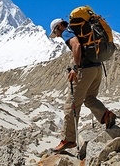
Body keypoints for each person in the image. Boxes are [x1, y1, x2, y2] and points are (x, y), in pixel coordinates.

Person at [48, 18, 116, 152]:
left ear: (60, 26)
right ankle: (106, 115)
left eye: (56, 32)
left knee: (71, 104)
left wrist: (75, 68)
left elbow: (76, 45)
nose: (58, 35)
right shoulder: (77, 30)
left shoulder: (67, 31)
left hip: (84, 70)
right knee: (89, 98)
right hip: (96, 69)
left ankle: (68, 139)